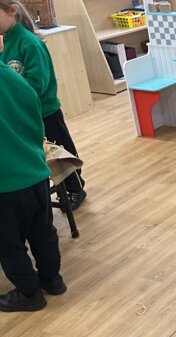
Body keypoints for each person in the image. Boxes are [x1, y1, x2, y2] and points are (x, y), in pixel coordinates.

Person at [0, 0, 87, 210]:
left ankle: (75, 188)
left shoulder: (29, 43)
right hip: (20, 114)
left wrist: (14, 95)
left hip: (45, 112)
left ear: (12, 11)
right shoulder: (5, 42)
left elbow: (38, 84)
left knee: (61, 153)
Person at [0, 48, 67, 312]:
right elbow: (36, 124)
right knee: (43, 233)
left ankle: (29, 294)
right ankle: (53, 280)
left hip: (5, 183)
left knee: (9, 245)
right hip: (36, 173)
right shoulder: (17, 79)